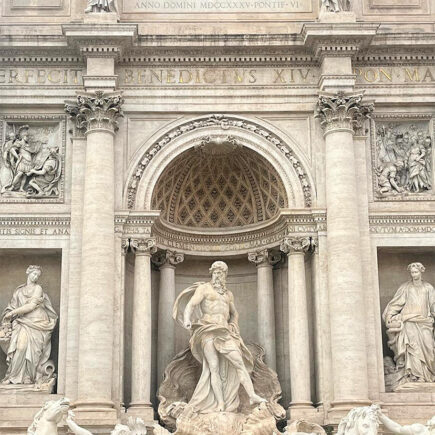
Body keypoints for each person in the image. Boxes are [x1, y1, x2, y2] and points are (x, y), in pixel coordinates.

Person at [173, 261, 266, 413]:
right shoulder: (204, 288)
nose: (218, 275)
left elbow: (234, 313)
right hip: (207, 330)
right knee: (213, 367)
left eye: (221, 273)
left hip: (224, 332)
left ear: (225, 275)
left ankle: (252, 395)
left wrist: (233, 324)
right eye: (215, 272)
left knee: (239, 363)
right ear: (212, 273)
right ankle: (220, 403)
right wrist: (187, 319)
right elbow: (191, 304)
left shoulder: (228, 294)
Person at [1, 265, 57, 385]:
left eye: (38, 275)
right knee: (20, 348)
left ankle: (28, 377)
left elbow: (31, 306)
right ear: (28, 272)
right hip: (23, 322)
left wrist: (12, 313)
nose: (35, 277)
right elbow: (12, 306)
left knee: (34, 352)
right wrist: (9, 314)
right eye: (34, 274)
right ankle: (13, 376)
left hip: (38, 322)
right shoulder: (19, 291)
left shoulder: (38, 288)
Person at [383, 263, 435, 384]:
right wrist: (390, 315)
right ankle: (416, 376)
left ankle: (428, 375)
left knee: (429, 348)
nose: (414, 275)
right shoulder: (405, 287)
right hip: (409, 322)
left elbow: (433, 304)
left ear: (421, 272)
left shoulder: (428, 287)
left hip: (425, 322)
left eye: (416, 272)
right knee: (413, 349)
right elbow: (396, 303)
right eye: (412, 272)